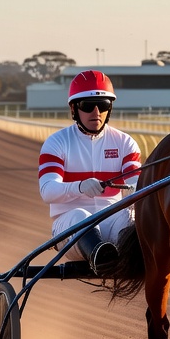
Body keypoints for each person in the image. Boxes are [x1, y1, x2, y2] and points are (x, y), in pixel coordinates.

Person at [38, 70, 141, 273]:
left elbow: (136, 186)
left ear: (110, 108)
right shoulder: (57, 142)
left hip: (112, 221)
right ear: (74, 109)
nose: (96, 112)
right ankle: (101, 257)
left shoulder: (125, 143)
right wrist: (79, 187)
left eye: (103, 105)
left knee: (130, 217)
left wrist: (137, 190)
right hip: (68, 225)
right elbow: (47, 190)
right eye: (87, 106)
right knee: (80, 216)